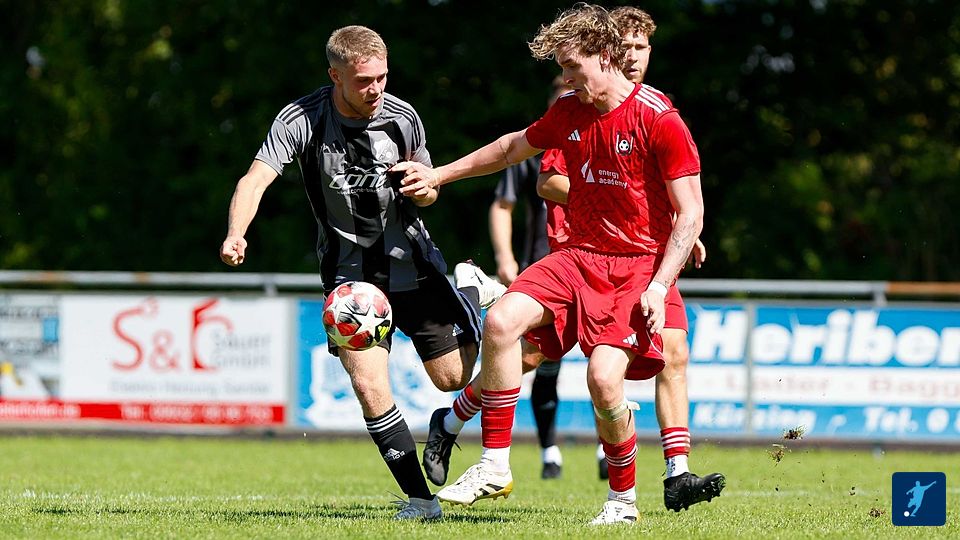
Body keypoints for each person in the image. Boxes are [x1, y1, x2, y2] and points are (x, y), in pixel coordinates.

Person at [396, 4, 705, 525]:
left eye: (571, 66)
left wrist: (658, 285)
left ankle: (623, 502)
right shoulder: (568, 109)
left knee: (604, 382)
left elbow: (691, 212)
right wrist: (439, 175)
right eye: (561, 68)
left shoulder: (659, 119)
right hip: (576, 257)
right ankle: (494, 464)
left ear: (604, 56)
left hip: (634, 267)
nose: (565, 78)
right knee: (501, 322)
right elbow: (510, 149)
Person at [218, 25, 503, 521]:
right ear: (335, 75)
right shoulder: (301, 119)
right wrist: (235, 233)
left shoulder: (403, 117)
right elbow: (255, 178)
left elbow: (430, 188)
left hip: (414, 266)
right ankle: (421, 502)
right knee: (370, 387)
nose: (376, 89)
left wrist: (425, 189)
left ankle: (469, 288)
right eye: (364, 81)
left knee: (452, 379)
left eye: (382, 78)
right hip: (350, 280)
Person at [537, 5, 724, 512]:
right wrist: (616, 204)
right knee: (540, 358)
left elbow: (667, 192)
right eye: (627, 47)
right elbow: (548, 179)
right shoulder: (579, 106)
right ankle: (460, 421)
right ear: (607, 51)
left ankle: (676, 474)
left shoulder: (657, 110)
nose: (635, 56)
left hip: (647, 258)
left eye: (643, 47)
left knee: (673, 352)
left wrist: (675, 226)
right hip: (589, 257)